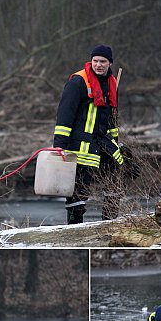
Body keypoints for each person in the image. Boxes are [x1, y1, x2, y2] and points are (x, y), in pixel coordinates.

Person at [53, 45, 127, 224]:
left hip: (104, 145)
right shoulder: (78, 81)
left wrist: (116, 144)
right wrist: (60, 146)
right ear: (90, 61)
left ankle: (109, 225)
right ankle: (74, 229)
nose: (98, 65)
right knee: (78, 192)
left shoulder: (112, 85)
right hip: (80, 148)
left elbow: (112, 120)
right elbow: (65, 115)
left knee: (114, 184)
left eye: (103, 61)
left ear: (110, 63)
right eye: (95, 61)